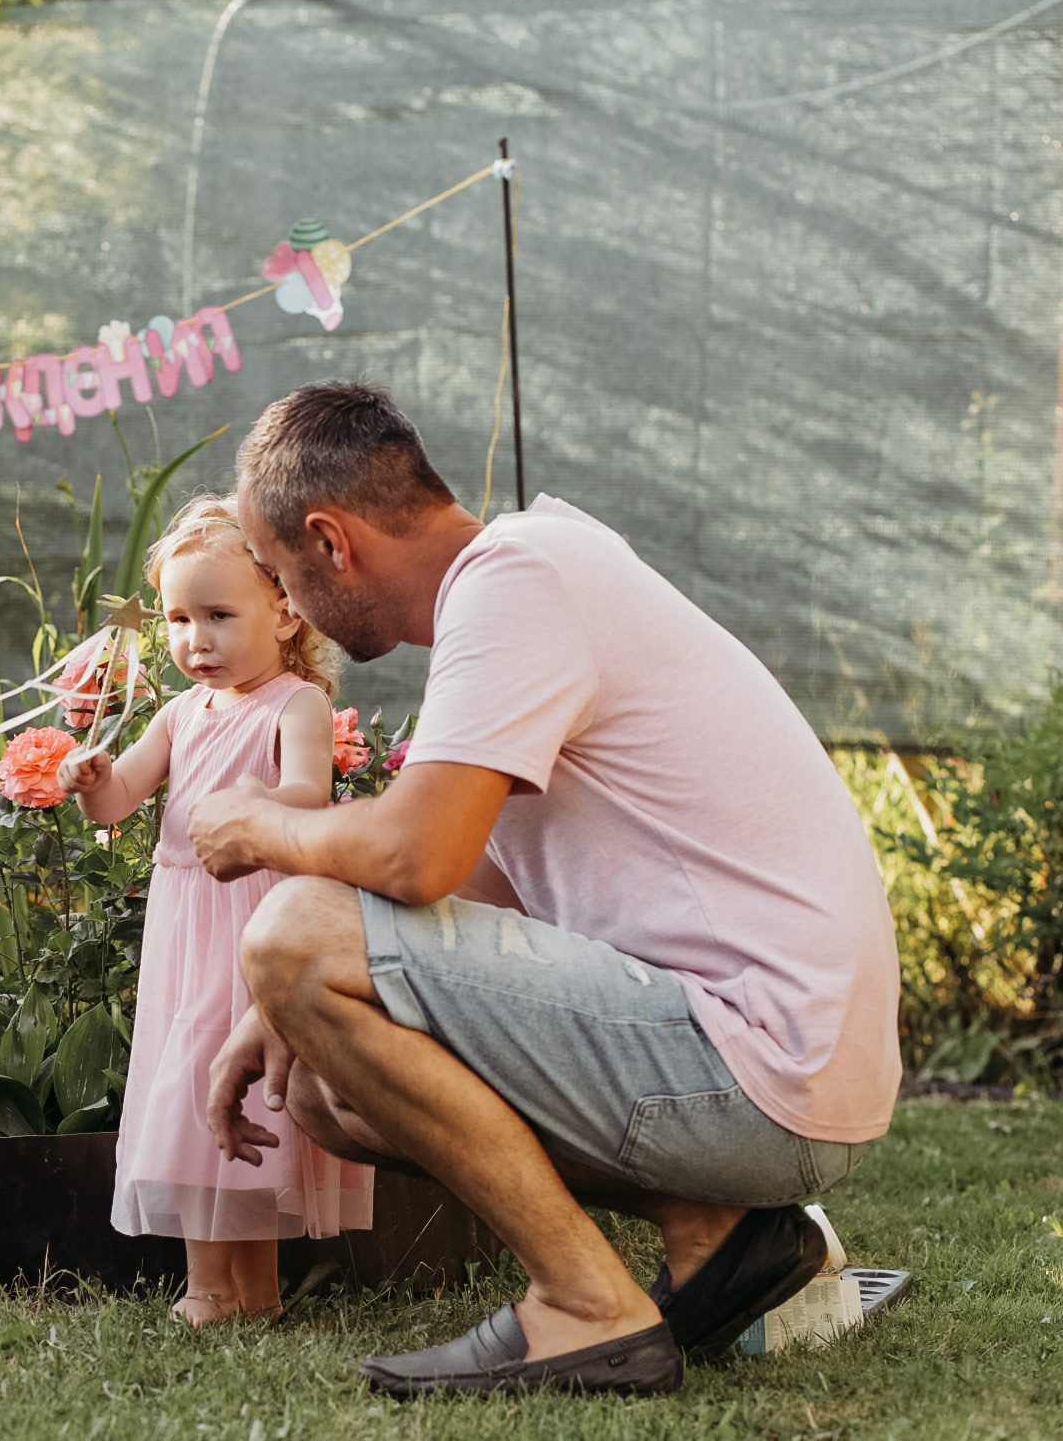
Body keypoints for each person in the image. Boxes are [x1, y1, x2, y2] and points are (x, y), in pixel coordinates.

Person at [192, 382, 900, 1396]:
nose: (287, 606)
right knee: (324, 1092)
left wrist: (259, 822)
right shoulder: (533, 578)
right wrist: (284, 1014)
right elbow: (469, 892)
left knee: (293, 929)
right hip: (774, 1066)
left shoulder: (517, 584)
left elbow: (413, 861)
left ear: (330, 541)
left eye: (278, 575)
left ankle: (585, 1307)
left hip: (763, 1062)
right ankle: (715, 1229)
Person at [57, 496, 374, 1325]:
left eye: (218, 615)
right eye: (177, 618)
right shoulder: (178, 713)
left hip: (250, 917)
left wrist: (256, 802)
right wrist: (92, 781)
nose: (195, 639)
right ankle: (210, 1285)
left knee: (238, 1084)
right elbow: (121, 799)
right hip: (183, 923)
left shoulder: (293, 704)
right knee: (187, 1083)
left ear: (283, 613)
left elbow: (309, 791)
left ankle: (250, 1289)